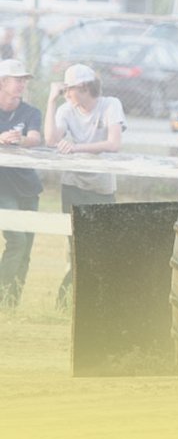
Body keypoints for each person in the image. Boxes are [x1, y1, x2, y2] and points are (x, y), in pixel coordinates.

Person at [43, 64, 125, 310]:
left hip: (102, 187)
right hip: (73, 186)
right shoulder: (66, 110)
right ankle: (67, 302)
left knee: (104, 246)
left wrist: (75, 148)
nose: (66, 94)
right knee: (76, 247)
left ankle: (96, 303)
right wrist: (50, 102)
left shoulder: (110, 104)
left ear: (84, 88)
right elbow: (50, 139)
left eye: (70, 89)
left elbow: (113, 144)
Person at [0, 59, 43, 308]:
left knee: (26, 247)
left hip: (27, 185)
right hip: (3, 187)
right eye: (17, 79)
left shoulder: (30, 112)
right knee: (16, 240)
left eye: (24, 80)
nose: (22, 84)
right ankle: (3, 300)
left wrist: (20, 140)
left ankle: (11, 304)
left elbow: (35, 138)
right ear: (3, 82)